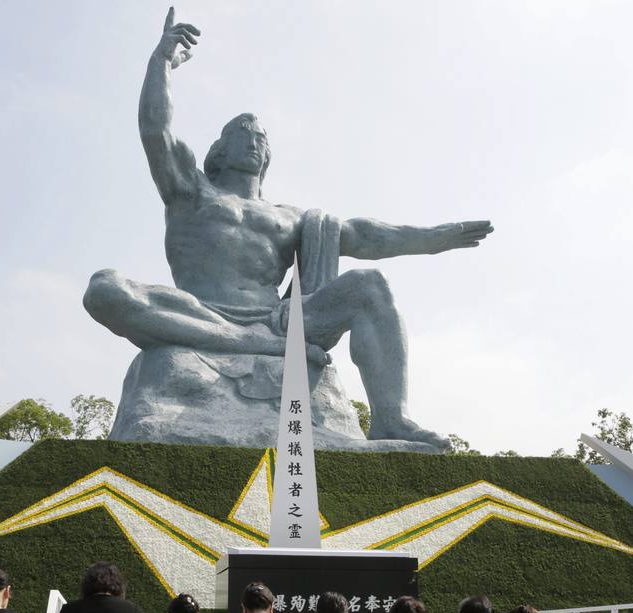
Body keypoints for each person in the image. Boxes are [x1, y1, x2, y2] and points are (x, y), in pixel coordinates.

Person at [83, 8, 495, 450]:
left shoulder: (291, 218)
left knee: (370, 286)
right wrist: (161, 62)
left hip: (282, 323)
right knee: (105, 289)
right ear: (216, 152)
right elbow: (155, 130)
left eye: (261, 136)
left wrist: (432, 240)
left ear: (268, 157)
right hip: (200, 311)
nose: (254, 137)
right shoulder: (191, 192)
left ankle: (392, 419)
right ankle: (242, 341)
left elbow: (365, 235)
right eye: (241, 131)